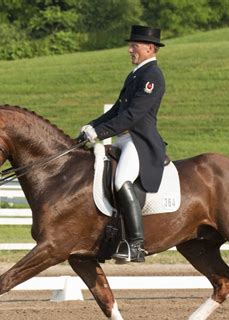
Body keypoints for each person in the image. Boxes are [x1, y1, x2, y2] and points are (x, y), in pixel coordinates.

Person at [78, 25, 167, 263]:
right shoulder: (136, 74)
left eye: (134, 46)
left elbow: (133, 116)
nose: (130, 50)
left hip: (139, 141)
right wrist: (91, 126)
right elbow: (118, 110)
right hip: (124, 139)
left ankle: (136, 245)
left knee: (121, 180)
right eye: (130, 46)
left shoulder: (153, 77)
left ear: (149, 48)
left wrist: (99, 132)